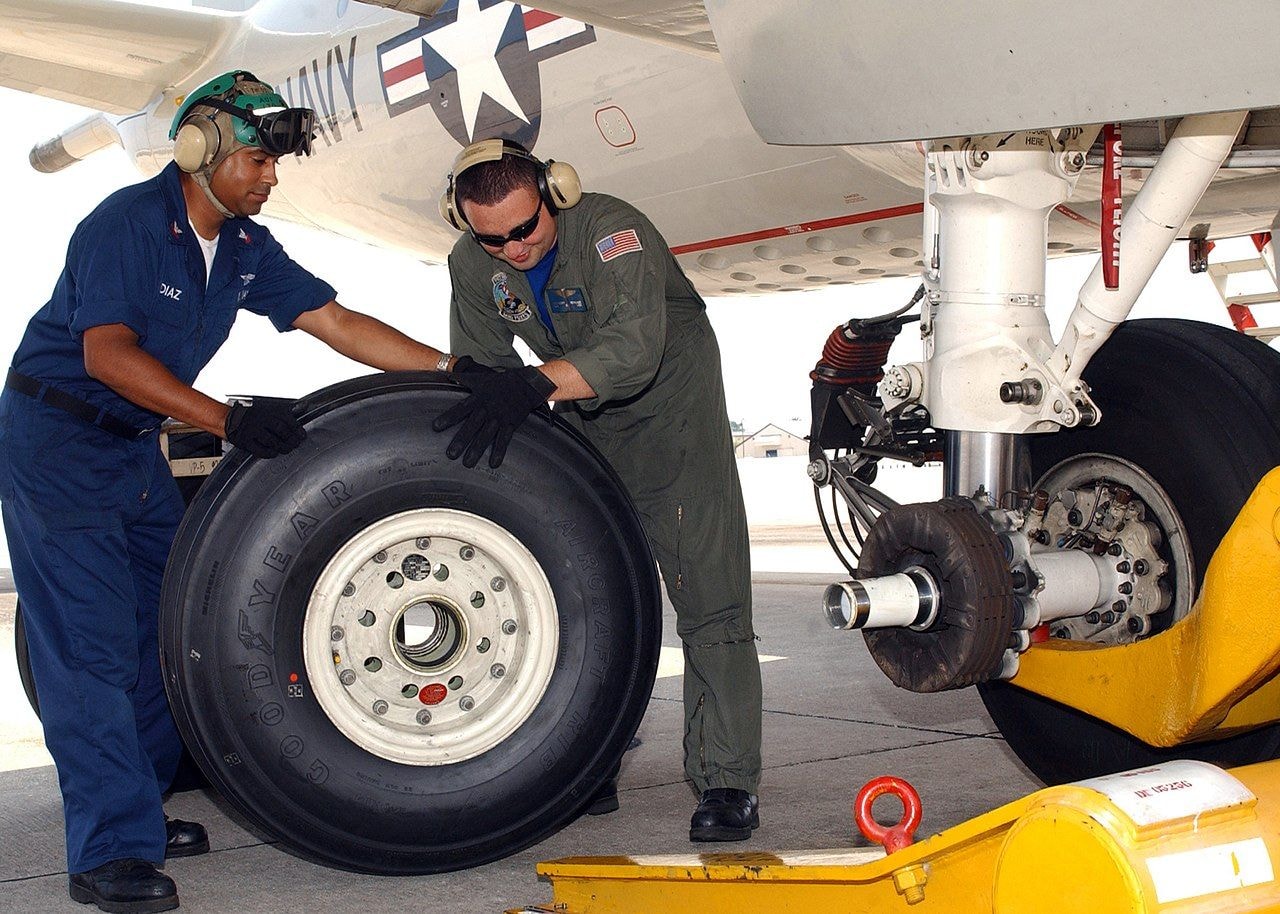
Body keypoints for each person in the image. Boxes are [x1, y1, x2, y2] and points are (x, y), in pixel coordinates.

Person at [0, 71, 457, 913]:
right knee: (93, 648)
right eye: (255, 157)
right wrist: (227, 419)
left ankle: (136, 803)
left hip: (132, 447)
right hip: (58, 442)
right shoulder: (127, 225)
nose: (270, 176)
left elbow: (336, 322)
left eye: (274, 162)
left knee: (170, 631)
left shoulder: (245, 248)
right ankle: (109, 852)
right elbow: (106, 356)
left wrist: (455, 371)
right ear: (199, 148)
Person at [433, 139, 762, 842]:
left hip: (672, 416)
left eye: (525, 228)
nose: (514, 249)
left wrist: (530, 384)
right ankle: (589, 765)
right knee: (585, 602)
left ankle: (726, 780)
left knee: (710, 601)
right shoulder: (472, 262)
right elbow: (486, 365)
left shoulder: (615, 234)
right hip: (578, 413)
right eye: (493, 238)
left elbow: (633, 353)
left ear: (554, 191)